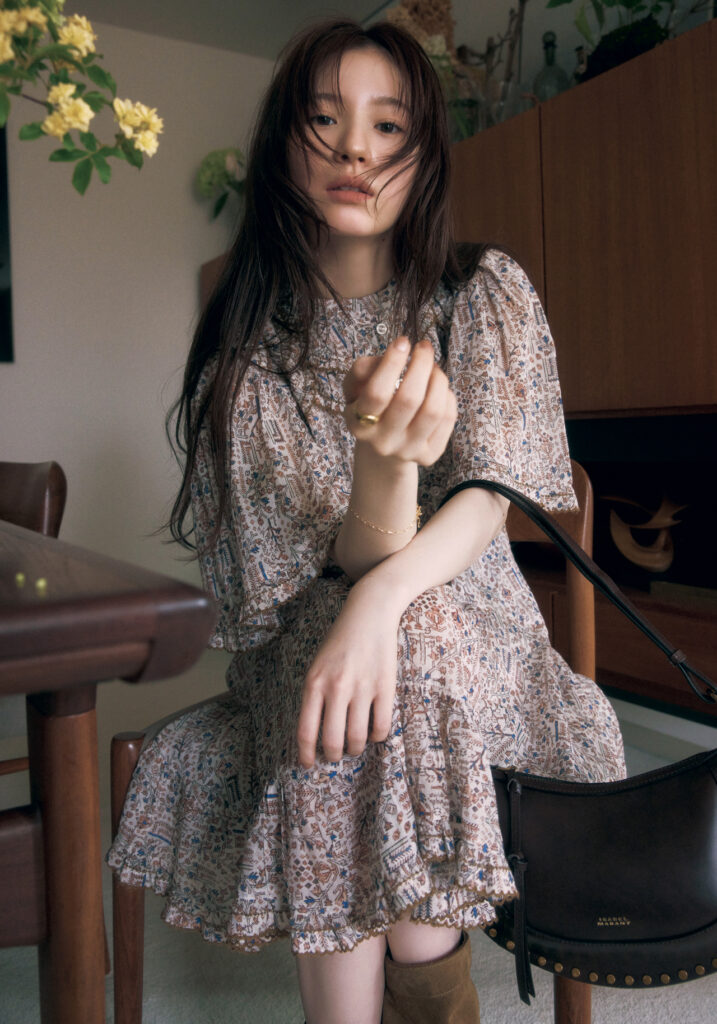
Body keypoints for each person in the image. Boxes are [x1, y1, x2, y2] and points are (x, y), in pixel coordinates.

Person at [109, 18, 625, 1024]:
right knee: (341, 662)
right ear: (283, 145)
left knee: (406, 643)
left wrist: (381, 601)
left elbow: (489, 499)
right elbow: (307, 569)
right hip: (312, 645)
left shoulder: (481, 293)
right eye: (324, 120)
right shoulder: (247, 361)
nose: (355, 147)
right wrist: (383, 469)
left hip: (472, 633)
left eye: (388, 126)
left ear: (424, 154)